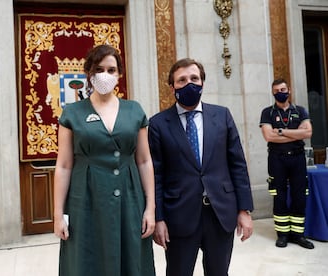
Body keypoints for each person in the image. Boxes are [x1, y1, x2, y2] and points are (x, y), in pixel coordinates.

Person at [53, 44, 156, 276]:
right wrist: (58, 214)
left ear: (119, 74)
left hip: (130, 198)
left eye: (111, 70)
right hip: (85, 200)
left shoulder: (134, 110)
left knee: (132, 258)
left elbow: (144, 161)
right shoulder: (72, 113)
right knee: (86, 259)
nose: (105, 75)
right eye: (99, 69)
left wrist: (150, 208)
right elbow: (63, 165)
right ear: (89, 73)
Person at [148, 58, 254, 276]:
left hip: (220, 213)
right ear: (172, 87)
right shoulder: (158, 124)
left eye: (194, 78)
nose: (189, 84)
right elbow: (155, 175)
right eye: (182, 80)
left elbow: (238, 165)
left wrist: (244, 210)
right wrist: (159, 218)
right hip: (179, 215)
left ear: (202, 83)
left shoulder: (222, 115)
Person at [259, 78, 314, 249]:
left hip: (297, 158)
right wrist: (296, 133)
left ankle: (298, 235)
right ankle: (282, 235)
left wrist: (282, 131)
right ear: (273, 93)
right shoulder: (267, 112)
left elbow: (308, 132)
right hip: (277, 158)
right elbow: (269, 136)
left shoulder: (300, 111)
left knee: (299, 194)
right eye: (276, 91)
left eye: (283, 89)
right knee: (279, 195)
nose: (280, 93)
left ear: (289, 90)